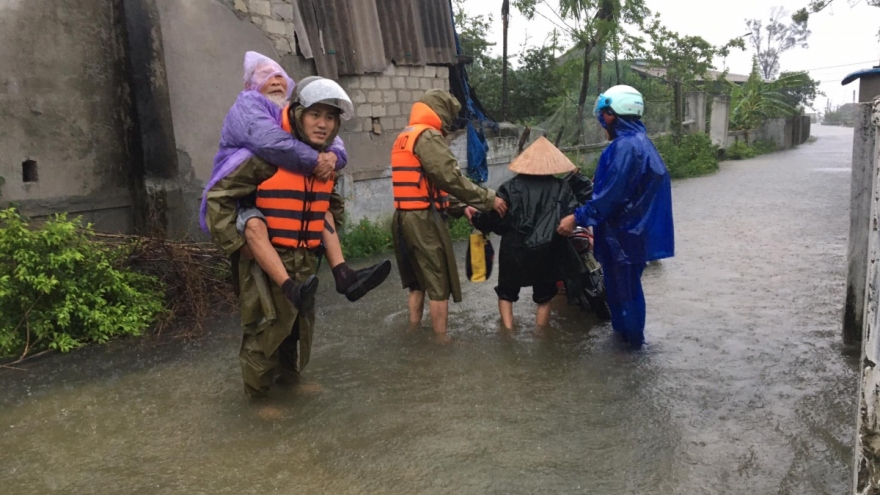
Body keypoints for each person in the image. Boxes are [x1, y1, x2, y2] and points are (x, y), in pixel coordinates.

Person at [204, 77, 361, 397]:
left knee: (298, 325)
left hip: (305, 257)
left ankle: (289, 381)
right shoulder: (265, 158)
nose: (323, 124)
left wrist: (324, 235)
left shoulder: (326, 162)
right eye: (315, 114)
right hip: (266, 259)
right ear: (298, 114)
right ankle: (258, 398)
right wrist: (240, 246)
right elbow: (219, 198)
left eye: (330, 117)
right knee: (266, 326)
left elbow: (331, 204)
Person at [200, 52, 389, 311]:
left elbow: (330, 191)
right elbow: (270, 143)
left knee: (300, 334)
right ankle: (288, 286)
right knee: (266, 340)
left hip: (303, 256)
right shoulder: (250, 110)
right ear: (250, 85)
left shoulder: (292, 123)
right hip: (253, 221)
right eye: (266, 77)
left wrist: (333, 156)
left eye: (280, 76)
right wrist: (238, 245)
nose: (276, 81)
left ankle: (343, 274)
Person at [556, 85, 675, 348]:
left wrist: (575, 218)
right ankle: (627, 348)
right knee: (627, 293)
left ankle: (631, 350)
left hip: (622, 238)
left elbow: (609, 197)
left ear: (611, 114)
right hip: (634, 236)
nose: (601, 122)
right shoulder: (642, 144)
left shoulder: (623, 148)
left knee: (625, 296)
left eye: (602, 115)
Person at [391, 89, 508, 335]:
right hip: (423, 221)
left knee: (416, 283)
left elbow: (426, 185)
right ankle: (441, 344)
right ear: (441, 111)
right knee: (438, 282)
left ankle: (413, 331)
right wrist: (487, 199)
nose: (450, 124)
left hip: (403, 217)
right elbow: (449, 179)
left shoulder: (406, 135)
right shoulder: (428, 136)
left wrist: (460, 207)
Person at [467, 137, 580, 330]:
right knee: (544, 297)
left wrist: (476, 218)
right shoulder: (562, 188)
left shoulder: (510, 188)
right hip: (548, 250)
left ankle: (508, 334)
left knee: (506, 294)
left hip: (514, 250)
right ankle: (540, 334)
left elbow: (496, 221)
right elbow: (571, 218)